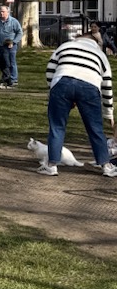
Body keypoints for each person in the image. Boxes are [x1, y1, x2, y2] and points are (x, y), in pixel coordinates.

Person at [38, 24, 116, 177]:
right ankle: (106, 166)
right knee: (95, 128)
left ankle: (52, 165)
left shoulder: (65, 46)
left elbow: (50, 71)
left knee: (57, 126)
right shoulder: (100, 55)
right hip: (90, 86)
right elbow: (107, 85)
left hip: (62, 82)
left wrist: (53, 89)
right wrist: (109, 114)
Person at [0, 4, 23, 89]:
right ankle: (7, 79)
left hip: (10, 46)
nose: (1, 13)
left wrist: (13, 42)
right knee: (3, 64)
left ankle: (13, 79)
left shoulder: (14, 21)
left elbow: (20, 33)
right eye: (0, 11)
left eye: (3, 11)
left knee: (11, 62)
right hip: (0, 46)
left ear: (8, 12)